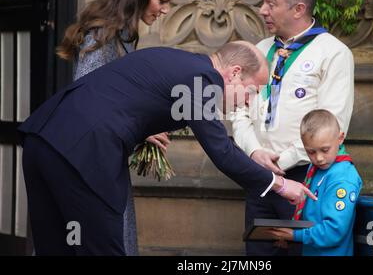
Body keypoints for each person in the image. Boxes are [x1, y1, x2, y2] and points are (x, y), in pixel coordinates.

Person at [18, 41, 317, 256]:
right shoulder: (204, 78)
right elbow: (221, 150)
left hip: (43, 139)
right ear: (235, 73)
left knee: (55, 246)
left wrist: (142, 127)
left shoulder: (179, 63)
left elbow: (122, 97)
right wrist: (277, 184)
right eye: (252, 91)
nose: (250, 101)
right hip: (83, 153)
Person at [56, 0, 180, 256]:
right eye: (162, 0)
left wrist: (144, 128)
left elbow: (112, 102)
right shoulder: (102, 32)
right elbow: (89, 105)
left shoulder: (124, 33)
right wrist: (141, 128)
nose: (165, 10)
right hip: (89, 164)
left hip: (104, 161)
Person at [231, 0, 354, 255]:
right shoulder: (259, 51)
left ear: (298, 9)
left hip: (306, 176)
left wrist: (283, 161)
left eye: (271, 3)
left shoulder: (333, 53)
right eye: (263, 2)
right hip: (260, 176)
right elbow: (239, 111)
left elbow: (332, 124)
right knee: (259, 253)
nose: (262, 10)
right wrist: (253, 153)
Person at [267, 109, 363, 256]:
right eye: (311, 152)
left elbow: (334, 231)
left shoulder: (342, 178)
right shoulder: (317, 168)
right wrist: (292, 237)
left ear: (340, 138)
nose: (319, 158)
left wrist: (295, 235)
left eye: (325, 150)